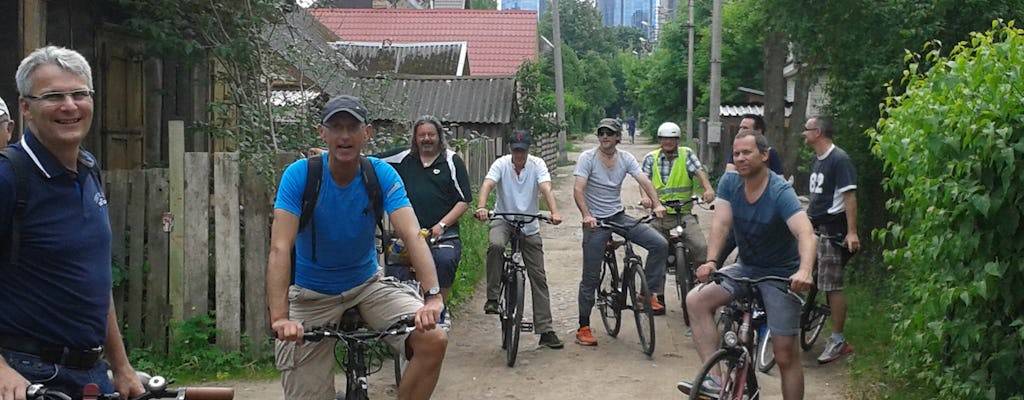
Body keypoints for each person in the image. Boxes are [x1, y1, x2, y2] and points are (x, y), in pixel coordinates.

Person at [267, 95, 447, 400]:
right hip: (312, 295)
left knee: (434, 339)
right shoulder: (300, 175)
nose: (345, 135)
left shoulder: (380, 174)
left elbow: (412, 234)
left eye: (353, 126)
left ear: (367, 133)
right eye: (336, 127)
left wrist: (432, 297)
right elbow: (280, 248)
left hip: (367, 285)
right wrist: (281, 318)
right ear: (322, 132)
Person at [0, 46, 145, 399]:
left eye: (79, 94)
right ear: (25, 107)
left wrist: (121, 366)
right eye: (53, 96)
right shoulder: (8, 178)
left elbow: (93, 281)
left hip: (90, 374)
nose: (69, 106)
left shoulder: (88, 169)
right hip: (26, 376)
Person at [678, 130, 815, 399]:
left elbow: (805, 233)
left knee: (785, 354)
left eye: (747, 153)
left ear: (764, 156)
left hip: (780, 275)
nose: (740, 158)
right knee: (695, 300)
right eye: (736, 153)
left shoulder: (779, 192)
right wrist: (711, 262)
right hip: (746, 267)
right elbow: (722, 224)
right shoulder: (730, 183)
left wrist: (805, 270)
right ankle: (715, 381)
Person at [572, 117, 668, 346]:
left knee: (660, 244)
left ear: (617, 137)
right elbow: (578, 189)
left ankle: (646, 293)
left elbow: (643, 179)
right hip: (596, 221)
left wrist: (656, 203)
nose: (605, 136)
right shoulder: (588, 158)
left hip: (618, 216)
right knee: (591, 276)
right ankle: (583, 327)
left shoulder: (625, 158)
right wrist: (587, 215)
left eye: (609, 133)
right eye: (601, 133)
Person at [474, 130, 565, 349]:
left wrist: (554, 212)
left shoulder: (537, 164)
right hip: (504, 218)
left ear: (528, 150)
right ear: (510, 150)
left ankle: (545, 329)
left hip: (529, 223)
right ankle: (493, 298)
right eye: (516, 151)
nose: (519, 155)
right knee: (496, 245)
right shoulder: (501, 164)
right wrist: (482, 207)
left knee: (538, 276)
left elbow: (545, 188)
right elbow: (487, 184)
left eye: (522, 151)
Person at [379, 116, 472, 306]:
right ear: (415, 138)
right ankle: (404, 312)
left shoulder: (452, 161)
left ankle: (439, 309)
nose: (426, 139)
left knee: (444, 262)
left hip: (443, 235)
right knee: (395, 267)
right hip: (407, 235)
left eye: (431, 134)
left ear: (439, 136)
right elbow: (366, 161)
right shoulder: (402, 158)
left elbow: (463, 201)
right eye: (422, 135)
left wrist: (442, 225)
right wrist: (330, 154)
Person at [639, 122, 715, 321]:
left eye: (672, 138)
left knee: (700, 247)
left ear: (677, 140)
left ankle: (703, 288)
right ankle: (655, 295)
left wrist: (707, 189)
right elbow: (643, 181)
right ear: (659, 140)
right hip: (660, 215)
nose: (668, 142)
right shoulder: (651, 158)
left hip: (684, 213)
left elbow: (699, 173)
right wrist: (646, 199)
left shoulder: (687, 154)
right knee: (658, 250)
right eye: (664, 138)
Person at [802, 116, 859, 364]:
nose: (804, 133)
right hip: (813, 226)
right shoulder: (817, 160)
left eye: (807, 129)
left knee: (831, 284)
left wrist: (852, 231)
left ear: (818, 132)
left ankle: (838, 339)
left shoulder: (839, 159)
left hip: (832, 230)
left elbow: (849, 197)